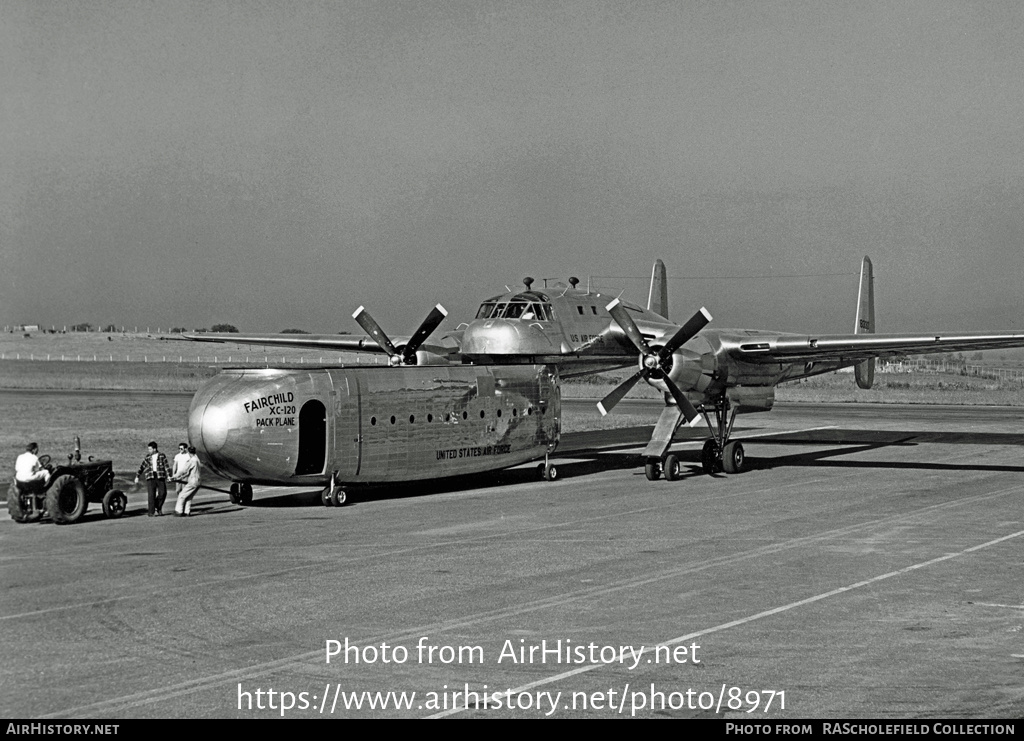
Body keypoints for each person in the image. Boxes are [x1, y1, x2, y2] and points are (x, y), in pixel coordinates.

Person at [134, 441, 170, 517]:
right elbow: (142, 467)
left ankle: (158, 506)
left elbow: (166, 466)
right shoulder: (147, 457)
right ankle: (151, 512)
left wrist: (169, 476)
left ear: (154, 449)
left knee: (163, 493)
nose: (149, 451)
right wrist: (137, 476)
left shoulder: (162, 456)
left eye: (150, 449)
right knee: (151, 495)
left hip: (160, 475)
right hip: (150, 476)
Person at [172, 446, 202, 517]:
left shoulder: (192, 460)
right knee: (189, 497)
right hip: (199, 481)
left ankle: (178, 511)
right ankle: (187, 512)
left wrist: (174, 476)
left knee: (181, 495)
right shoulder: (197, 460)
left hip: (193, 481)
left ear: (188, 452)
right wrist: (180, 477)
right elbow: (188, 473)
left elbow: (183, 470)